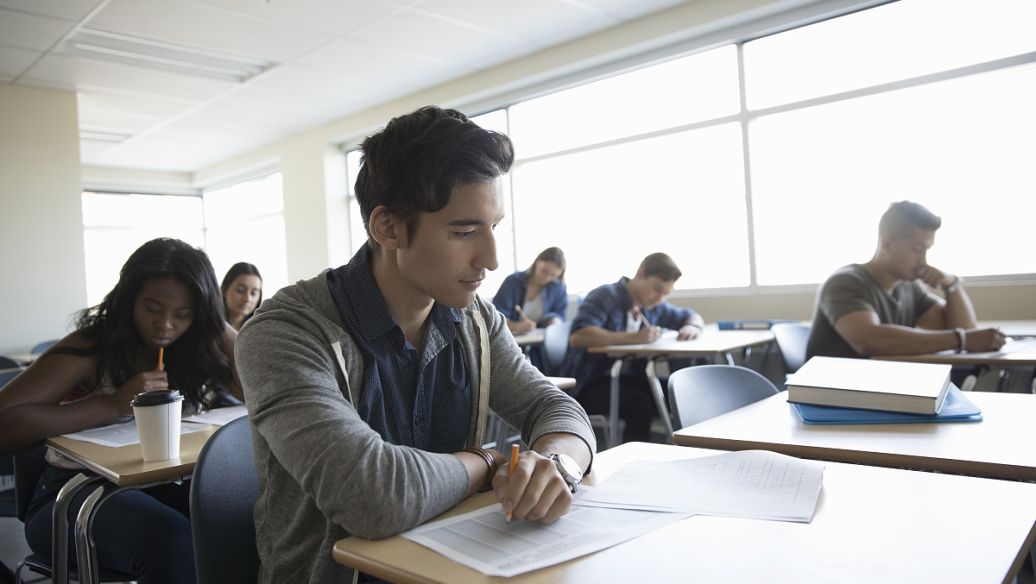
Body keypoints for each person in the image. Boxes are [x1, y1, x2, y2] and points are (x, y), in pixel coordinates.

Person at [235, 106, 595, 584]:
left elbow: (556, 408)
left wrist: (557, 463)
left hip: (454, 570)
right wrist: (487, 462)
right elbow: (372, 497)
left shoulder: (475, 319)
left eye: (494, 227)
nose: (490, 258)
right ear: (386, 227)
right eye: (463, 231)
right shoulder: (285, 332)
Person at [0, 237, 241, 584]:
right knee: (173, 542)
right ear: (129, 301)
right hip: (69, 497)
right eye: (152, 309)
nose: (165, 325)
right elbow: (5, 421)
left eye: (183, 314)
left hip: (158, 482)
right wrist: (112, 404)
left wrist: (216, 322)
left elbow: (259, 391)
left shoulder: (195, 348)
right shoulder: (93, 346)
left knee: (238, 521)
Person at [806, 201, 1006, 367]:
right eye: (917, 249)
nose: (924, 260)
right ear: (886, 244)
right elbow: (869, 340)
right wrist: (962, 339)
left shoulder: (909, 287)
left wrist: (951, 285)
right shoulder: (845, 282)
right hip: (834, 397)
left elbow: (964, 330)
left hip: (880, 391)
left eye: (927, 249)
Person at [560, 252, 705, 443]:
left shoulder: (652, 305)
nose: (659, 298)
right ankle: (632, 463)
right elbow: (578, 337)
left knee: (678, 391)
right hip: (587, 384)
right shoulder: (605, 296)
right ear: (641, 273)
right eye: (656, 289)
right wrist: (634, 338)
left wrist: (692, 326)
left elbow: (691, 315)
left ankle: (693, 449)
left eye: (666, 294)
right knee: (640, 404)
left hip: (626, 379)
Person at [492, 246, 568, 335]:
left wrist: (555, 322)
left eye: (553, 275)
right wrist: (516, 326)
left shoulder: (558, 287)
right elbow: (495, 318)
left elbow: (560, 315)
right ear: (537, 262)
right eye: (544, 271)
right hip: (510, 338)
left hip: (539, 342)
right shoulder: (513, 282)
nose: (547, 278)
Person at [221, 261, 263, 331]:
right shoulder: (209, 325)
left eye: (253, 293)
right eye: (240, 290)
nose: (247, 299)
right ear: (224, 290)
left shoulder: (261, 328)